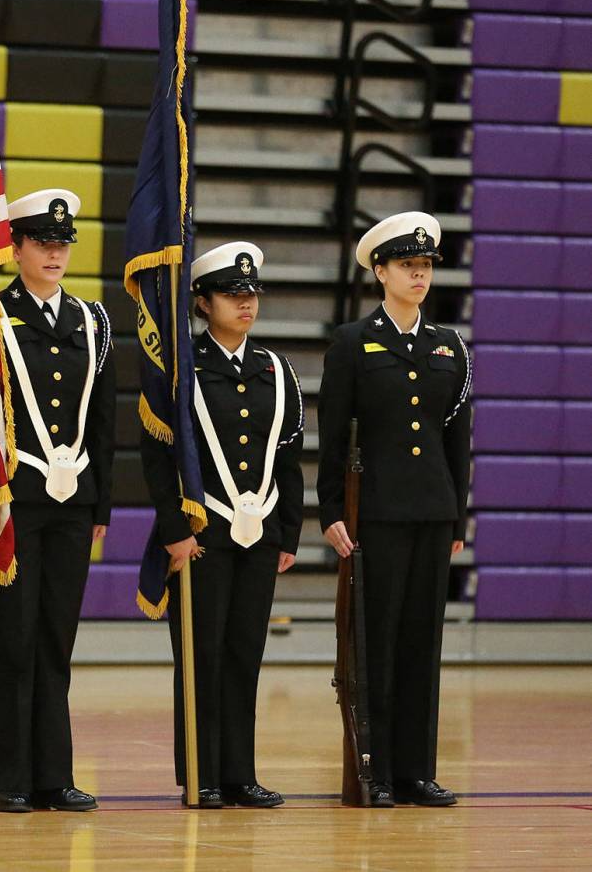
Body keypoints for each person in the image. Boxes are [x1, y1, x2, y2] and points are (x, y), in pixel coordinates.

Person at [0, 189, 116, 814]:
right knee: (12, 642)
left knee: (55, 642)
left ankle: (54, 776)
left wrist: (101, 511)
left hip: (73, 505)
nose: (54, 253)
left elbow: (103, 419)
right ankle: (10, 777)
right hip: (9, 504)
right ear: (13, 248)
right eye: (42, 243)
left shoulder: (92, 322)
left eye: (62, 243)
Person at [141, 242, 305, 809]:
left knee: (244, 654)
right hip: (201, 536)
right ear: (203, 303)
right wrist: (173, 529)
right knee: (201, 654)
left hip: (258, 538)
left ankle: (240, 772)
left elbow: (287, 457)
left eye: (251, 294)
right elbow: (157, 456)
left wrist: (287, 534)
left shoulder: (276, 371)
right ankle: (201, 772)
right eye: (233, 296)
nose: (245, 304)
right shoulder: (181, 367)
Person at [317, 211, 471, 808]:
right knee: (374, 641)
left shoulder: (449, 346)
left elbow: (457, 440)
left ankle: (417, 770)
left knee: (420, 643)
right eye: (407, 265)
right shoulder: (353, 344)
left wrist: (455, 516)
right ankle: (374, 767)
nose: (419, 274)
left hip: (431, 514)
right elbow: (332, 438)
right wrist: (331, 509)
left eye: (426, 265)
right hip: (374, 515)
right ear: (379, 271)